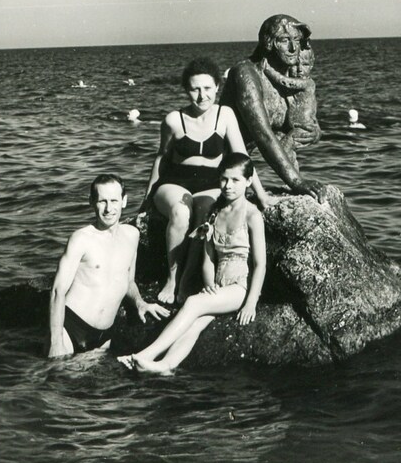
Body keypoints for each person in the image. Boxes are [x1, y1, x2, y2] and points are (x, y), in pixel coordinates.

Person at [141, 57, 273, 305]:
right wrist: (148, 197)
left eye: (208, 88)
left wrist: (262, 195)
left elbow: (241, 158)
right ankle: (172, 278)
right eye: (195, 89)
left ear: (217, 87)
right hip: (175, 182)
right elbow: (161, 158)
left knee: (204, 214)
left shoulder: (225, 115)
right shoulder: (172, 120)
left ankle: (187, 280)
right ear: (186, 90)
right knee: (180, 212)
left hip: (211, 183)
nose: (202, 96)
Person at [118, 153, 266, 375]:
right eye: (224, 179)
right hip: (220, 286)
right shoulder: (216, 212)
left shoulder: (252, 215)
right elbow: (207, 257)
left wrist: (251, 302)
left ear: (248, 180)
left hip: (240, 287)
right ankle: (165, 365)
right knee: (196, 323)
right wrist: (209, 284)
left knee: (194, 304)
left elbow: (260, 263)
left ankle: (146, 354)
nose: (228, 186)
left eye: (235, 180)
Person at [48, 173, 169, 357]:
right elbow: (57, 291)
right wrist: (55, 342)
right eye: (102, 201)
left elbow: (127, 281)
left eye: (114, 200)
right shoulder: (81, 239)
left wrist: (140, 303)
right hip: (72, 328)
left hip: (104, 337)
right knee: (54, 379)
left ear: (124, 201)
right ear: (91, 202)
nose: (108, 208)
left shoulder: (132, 235)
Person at [220, 14, 325, 201]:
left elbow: (287, 129)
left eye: (297, 40)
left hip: (239, 172)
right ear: (268, 43)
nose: (293, 48)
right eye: (284, 40)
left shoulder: (288, 77)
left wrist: (313, 132)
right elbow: (263, 134)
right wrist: (297, 182)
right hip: (217, 169)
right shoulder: (246, 73)